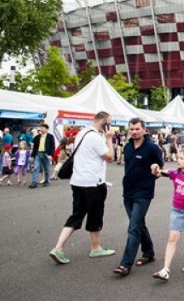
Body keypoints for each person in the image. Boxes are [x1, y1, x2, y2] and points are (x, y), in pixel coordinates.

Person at [48, 111, 116, 265]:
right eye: (109, 123)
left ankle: (58, 247)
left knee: (76, 215)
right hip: (93, 182)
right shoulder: (97, 138)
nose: (110, 126)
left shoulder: (82, 133)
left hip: (77, 181)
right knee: (95, 214)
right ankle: (96, 247)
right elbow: (110, 157)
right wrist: (109, 139)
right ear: (104, 122)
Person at [113, 118, 164, 276]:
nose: (134, 132)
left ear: (144, 129)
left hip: (144, 192)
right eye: (132, 129)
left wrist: (156, 168)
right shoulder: (127, 147)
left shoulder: (152, 147)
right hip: (128, 191)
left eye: (137, 129)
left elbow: (160, 167)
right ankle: (149, 253)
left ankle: (125, 264)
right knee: (138, 224)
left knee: (133, 227)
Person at [150, 148, 184, 281]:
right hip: (176, 210)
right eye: (178, 158)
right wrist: (155, 166)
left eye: (181, 158)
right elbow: (158, 172)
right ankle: (165, 269)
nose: (178, 160)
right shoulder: (175, 173)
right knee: (172, 237)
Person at [29, 123, 55, 189]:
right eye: (41, 128)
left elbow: (52, 146)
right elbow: (34, 145)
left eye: (43, 128)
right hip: (38, 153)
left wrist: (51, 155)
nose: (41, 129)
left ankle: (47, 181)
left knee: (47, 168)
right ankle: (34, 182)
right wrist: (32, 155)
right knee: (36, 168)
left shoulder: (50, 136)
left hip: (46, 154)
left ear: (46, 129)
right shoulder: (38, 137)